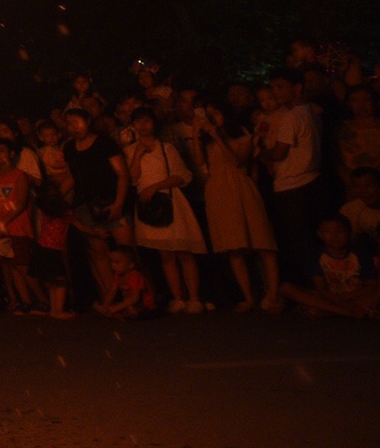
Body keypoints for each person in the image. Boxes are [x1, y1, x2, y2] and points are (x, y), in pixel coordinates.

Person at [190, 101, 281, 311]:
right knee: (233, 247)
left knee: (263, 242)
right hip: (218, 190)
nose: (213, 118)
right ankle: (249, 297)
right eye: (208, 114)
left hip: (241, 186)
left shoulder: (241, 133)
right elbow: (199, 162)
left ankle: (273, 295)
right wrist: (196, 134)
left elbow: (237, 161)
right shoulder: (205, 140)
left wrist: (217, 136)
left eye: (216, 113)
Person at [127, 111, 207, 311]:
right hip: (150, 206)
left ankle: (194, 298)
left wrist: (155, 186)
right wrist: (137, 154)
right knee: (166, 254)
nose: (143, 125)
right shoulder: (129, 150)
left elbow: (183, 175)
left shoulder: (167, 148)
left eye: (147, 119)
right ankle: (178, 297)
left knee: (184, 252)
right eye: (139, 121)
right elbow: (133, 179)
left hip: (170, 200)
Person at [260, 72, 327, 285]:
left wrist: (261, 152)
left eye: (280, 86)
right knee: (309, 237)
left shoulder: (291, 117)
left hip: (292, 184)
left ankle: (310, 288)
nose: (275, 92)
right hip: (312, 180)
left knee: (298, 240)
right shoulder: (310, 113)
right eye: (273, 88)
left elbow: (280, 153)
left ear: (297, 88)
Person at [62, 109, 131, 306]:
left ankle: (136, 297)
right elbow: (71, 177)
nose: (73, 127)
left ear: (88, 121)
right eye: (69, 124)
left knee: (126, 251)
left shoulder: (105, 143)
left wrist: (118, 202)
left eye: (77, 122)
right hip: (85, 206)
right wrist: (55, 198)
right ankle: (113, 299)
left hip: (111, 200)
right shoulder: (69, 148)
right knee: (99, 253)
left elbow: (122, 174)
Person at [280, 215, 380, 318]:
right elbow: (321, 289)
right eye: (327, 232)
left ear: (349, 233)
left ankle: (329, 311)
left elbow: (370, 286)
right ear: (320, 234)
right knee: (286, 288)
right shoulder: (315, 256)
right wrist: (345, 305)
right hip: (329, 297)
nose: (334, 236)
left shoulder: (360, 254)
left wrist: (343, 299)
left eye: (339, 232)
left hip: (355, 296)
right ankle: (346, 312)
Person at [0, 138, 41, 314]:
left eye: (2, 151)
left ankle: (42, 300)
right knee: (11, 266)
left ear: (11, 153)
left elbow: (21, 202)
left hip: (17, 226)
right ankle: (26, 301)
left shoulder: (20, 175)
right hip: (0, 228)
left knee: (23, 265)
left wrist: (3, 222)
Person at [92, 243, 156, 320]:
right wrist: (105, 305)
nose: (113, 265)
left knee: (133, 311)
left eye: (117, 262)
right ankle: (116, 313)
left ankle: (119, 314)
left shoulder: (134, 276)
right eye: (111, 262)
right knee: (119, 307)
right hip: (129, 303)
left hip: (145, 305)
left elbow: (135, 297)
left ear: (130, 265)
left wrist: (114, 308)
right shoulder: (118, 275)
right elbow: (112, 291)